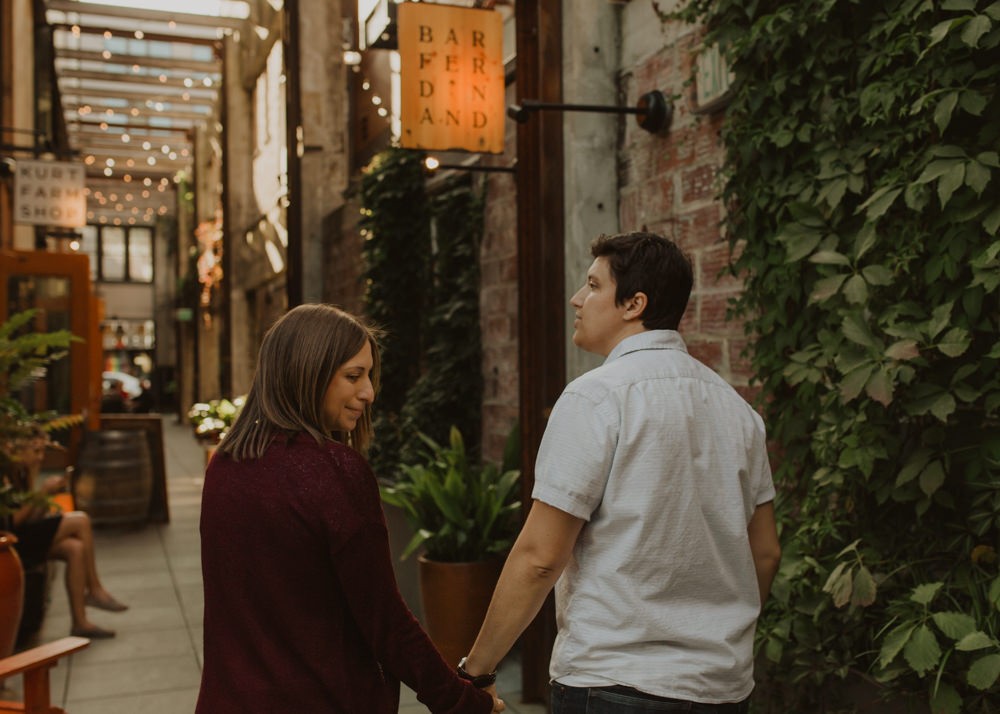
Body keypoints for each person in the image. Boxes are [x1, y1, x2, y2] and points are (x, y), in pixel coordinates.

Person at [460, 232, 782, 712]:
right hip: (721, 687)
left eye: (592, 285)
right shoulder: (738, 412)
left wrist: (476, 670)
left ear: (634, 304)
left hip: (614, 682)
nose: (577, 298)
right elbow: (766, 553)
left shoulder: (595, 397)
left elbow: (540, 558)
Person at [196, 304, 502, 714]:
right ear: (308, 372)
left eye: (369, 376)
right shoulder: (334, 471)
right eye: (353, 376)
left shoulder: (225, 463)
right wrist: (462, 701)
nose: (369, 393)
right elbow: (384, 620)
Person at [3, 427, 128, 639]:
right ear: (16, 449)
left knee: (75, 549)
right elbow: (13, 522)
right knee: (80, 521)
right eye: (36, 451)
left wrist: (43, 490)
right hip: (13, 543)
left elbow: (32, 515)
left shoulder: (22, 471)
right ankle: (95, 589)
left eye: (43, 451)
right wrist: (42, 492)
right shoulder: (5, 474)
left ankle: (80, 622)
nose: (40, 457)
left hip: (24, 535)